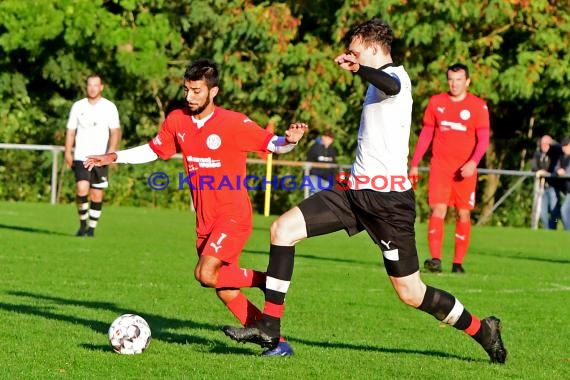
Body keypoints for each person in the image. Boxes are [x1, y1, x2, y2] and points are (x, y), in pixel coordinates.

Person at [222, 18, 507, 364]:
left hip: (389, 204)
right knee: (282, 229)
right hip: (353, 194)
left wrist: (359, 69)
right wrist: (359, 68)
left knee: (411, 292)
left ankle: (483, 330)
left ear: (373, 48)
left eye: (355, 51)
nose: (349, 56)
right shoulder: (373, 80)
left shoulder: (397, 77)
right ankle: (269, 326)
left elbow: (388, 83)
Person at [84, 59, 307, 357]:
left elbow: (274, 144)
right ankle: (276, 343)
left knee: (205, 273)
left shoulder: (233, 122)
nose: (189, 96)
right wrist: (113, 156)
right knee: (223, 288)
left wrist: (290, 140)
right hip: (205, 220)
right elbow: (154, 149)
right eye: (187, 89)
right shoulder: (177, 120)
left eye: (196, 91)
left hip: (233, 215)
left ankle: (268, 281)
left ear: (212, 92)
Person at [408, 63, 490, 274]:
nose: (454, 84)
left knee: (463, 214)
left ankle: (458, 263)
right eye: (451, 79)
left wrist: (473, 162)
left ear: (467, 81)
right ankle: (435, 259)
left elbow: (483, 140)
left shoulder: (478, 106)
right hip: (440, 167)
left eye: (459, 79)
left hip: (465, 170)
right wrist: (415, 163)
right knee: (438, 209)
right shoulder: (437, 102)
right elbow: (426, 134)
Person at [65, 74, 121, 237]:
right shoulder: (78, 106)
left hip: (100, 158)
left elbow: (115, 132)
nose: (92, 88)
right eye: (90, 85)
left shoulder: (109, 107)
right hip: (81, 155)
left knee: (96, 193)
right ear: (86, 87)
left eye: (96, 85)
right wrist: (68, 151)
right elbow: (70, 131)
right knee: (82, 188)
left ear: (101, 87)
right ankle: (82, 225)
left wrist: (111, 154)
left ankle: (91, 229)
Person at [532, 135, 563, 229]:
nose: (544, 146)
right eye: (542, 144)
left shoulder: (556, 153)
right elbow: (534, 167)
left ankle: (554, 227)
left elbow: (556, 167)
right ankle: (547, 229)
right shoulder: (537, 154)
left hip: (554, 187)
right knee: (542, 212)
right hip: (542, 187)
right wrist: (540, 171)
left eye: (546, 144)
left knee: (555, 212)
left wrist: (546, 172)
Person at [307, 129, 337, 195]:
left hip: (326, 179)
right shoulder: (315, 148)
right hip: (315, 177)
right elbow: (308, 162)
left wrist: (334, 183)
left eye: (329, 138)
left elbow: (334, 168)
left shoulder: (332, 151)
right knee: (313, 195)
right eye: (325, 137)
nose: (326, 139)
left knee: (325, 196)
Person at [555, 137, 570, 230]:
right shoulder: (562, 157)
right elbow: (556, 167)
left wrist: (564, 172)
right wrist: (558, 170)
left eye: (566, 146)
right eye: (563, 146)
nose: (563, 148)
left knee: (564, 210)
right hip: (567, 190)